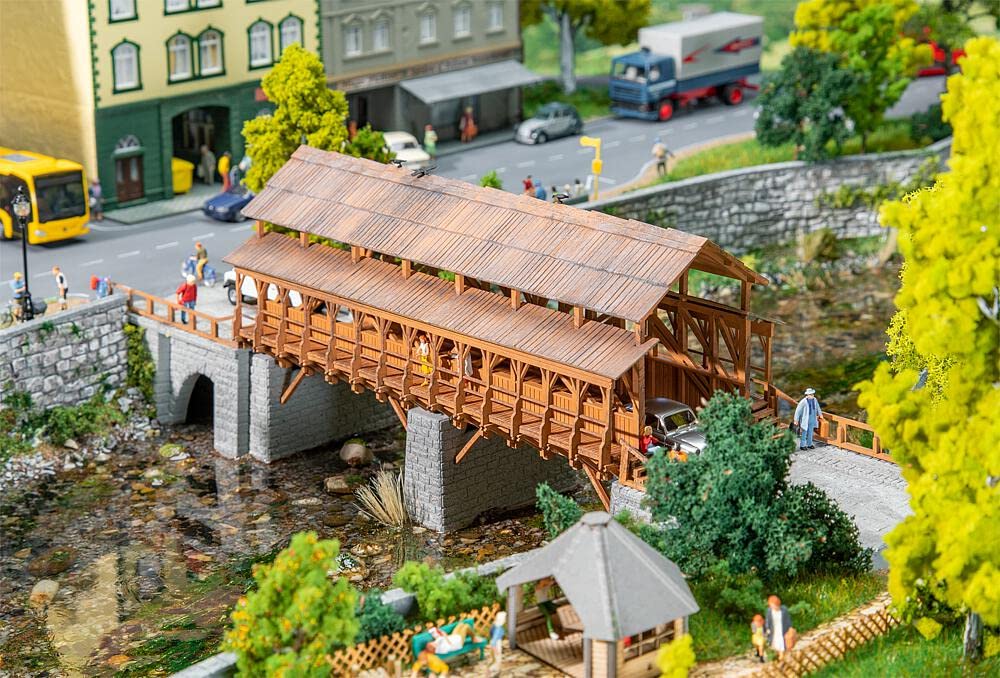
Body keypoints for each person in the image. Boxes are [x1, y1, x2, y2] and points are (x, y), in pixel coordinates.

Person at [763, 595, 793, 661]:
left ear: (777, 604)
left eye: (773, 605)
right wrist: (767, 629)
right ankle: (780, 657)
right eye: (771, 605)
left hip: (782, 629)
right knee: (775, 645)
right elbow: (767, 621)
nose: (772, 606)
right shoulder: (769, 611)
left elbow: (788, 620)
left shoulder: (784, 610)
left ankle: (782, 658)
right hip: (774, 630)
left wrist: (790, 628)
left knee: (782, 644)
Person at [535, 576, 560, 641]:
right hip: (540, 603)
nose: (547, 579)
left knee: (559, 609)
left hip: (547, 602)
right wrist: (549, 582)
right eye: (545, 578)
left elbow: (553, 581)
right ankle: (551, 632)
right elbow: (542, 585)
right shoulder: (538, 586)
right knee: (547, 616)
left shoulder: (547, 582)